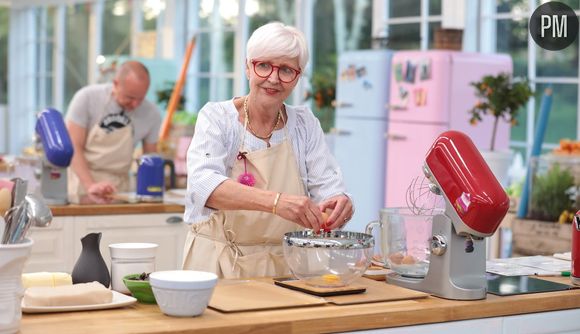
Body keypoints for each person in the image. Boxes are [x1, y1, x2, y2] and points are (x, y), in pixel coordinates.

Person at [182, 22, 354, 279]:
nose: (273, 78)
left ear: (297, 77)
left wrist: (340, 204)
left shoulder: (305, 125)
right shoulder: (217, 118)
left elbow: (327, 190)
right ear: (247, 67)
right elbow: (203, 185)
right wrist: (276, 203)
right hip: (218, 267)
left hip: (285, 268)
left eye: (286, 70)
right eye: (263, 65)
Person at [65, 60, 161, 201]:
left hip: (119, 189)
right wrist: (90, 185)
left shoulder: (152, 114)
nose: (135, 104)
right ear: (115, 84)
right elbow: (73, 146)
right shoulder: (86, 98)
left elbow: (150, 159)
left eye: (140, 99)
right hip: (82, 186)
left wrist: (150, 193)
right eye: (130, 97)